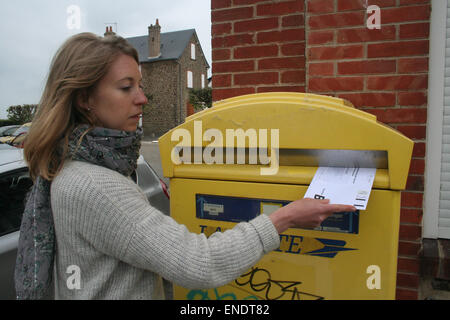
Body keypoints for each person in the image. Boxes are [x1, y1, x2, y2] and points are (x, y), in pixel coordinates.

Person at [14, 32, 356, 300]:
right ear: (84, 98)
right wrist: (287, 216)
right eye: (125, 87)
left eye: (141, 85)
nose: (142, 98)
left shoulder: (68, 166)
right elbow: (200, 263)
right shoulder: (98, 185)